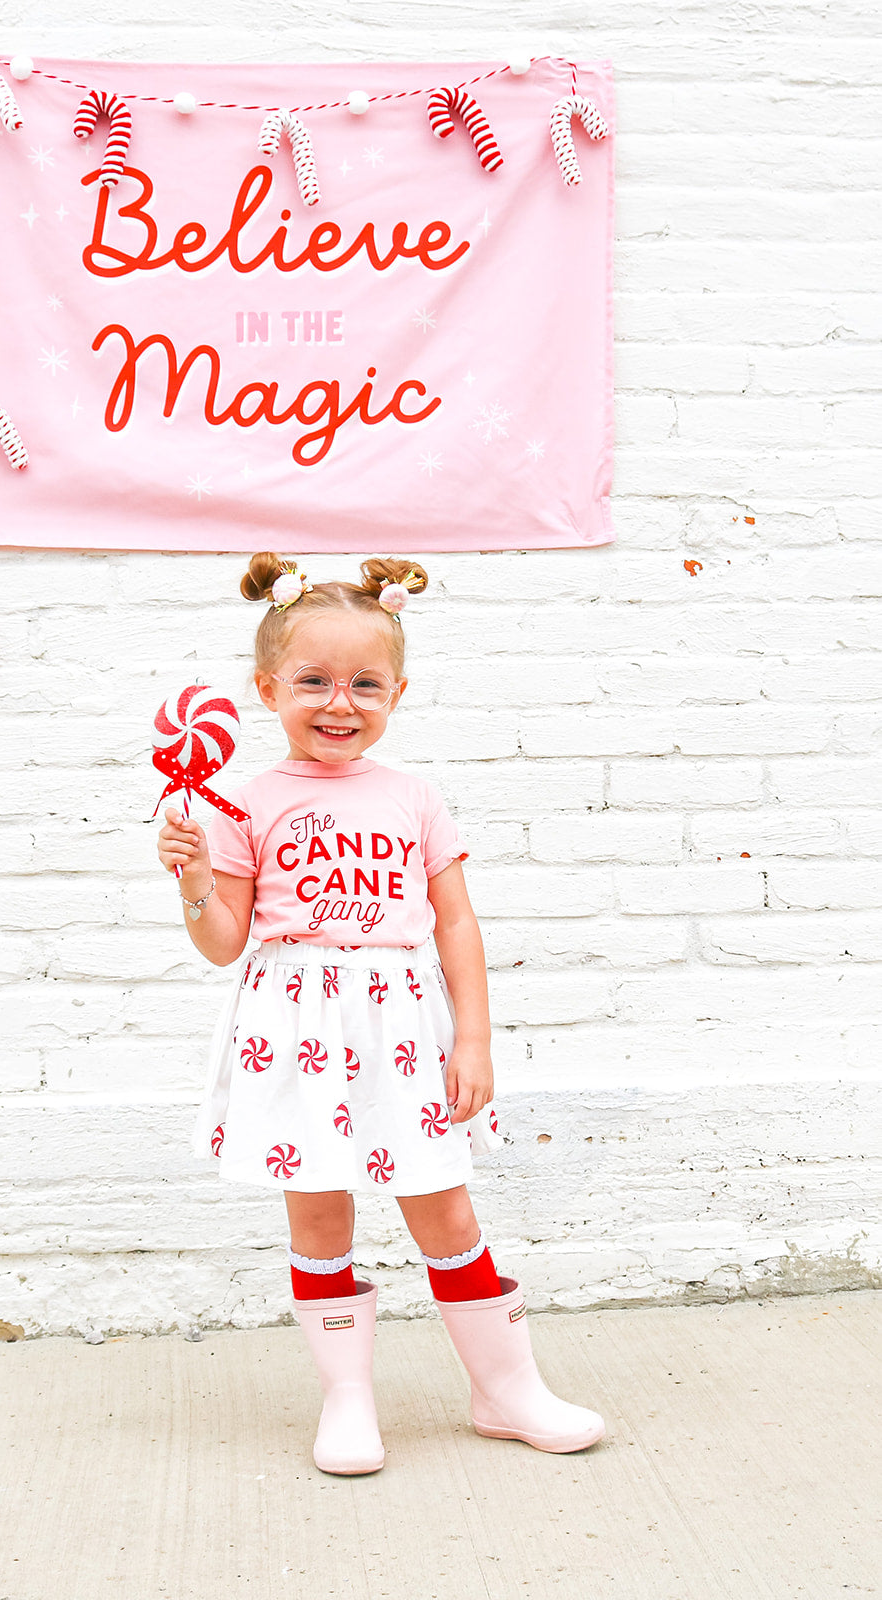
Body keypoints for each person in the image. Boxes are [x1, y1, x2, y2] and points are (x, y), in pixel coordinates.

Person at [156, 552, 603, 1475]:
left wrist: (472, 1039)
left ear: (398, 690)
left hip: (399, 1024)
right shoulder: (245, 798)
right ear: (267, 687)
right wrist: (196, 877)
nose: (339, 702)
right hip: (293, 1026)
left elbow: (457, 921)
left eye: (365, 683)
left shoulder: (413, 796)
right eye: (312, 681)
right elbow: (224, 942)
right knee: (319, 1217)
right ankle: (348, 1399)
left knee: (443, 1208)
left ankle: (506, 1390)